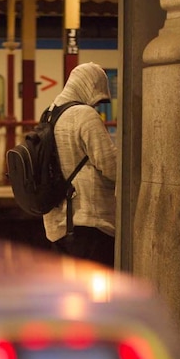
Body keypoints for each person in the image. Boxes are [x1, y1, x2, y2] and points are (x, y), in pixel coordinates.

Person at [43, 62, 118, 267]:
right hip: (89, 223)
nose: (96, 105)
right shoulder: (84, 115)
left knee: (69, 292)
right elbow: (111, 166)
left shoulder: (49, 114)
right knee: (97, 293)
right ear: (90, 87)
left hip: (56, 225)